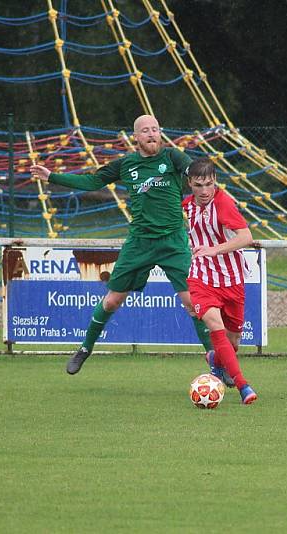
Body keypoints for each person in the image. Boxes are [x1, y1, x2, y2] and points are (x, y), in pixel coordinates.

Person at [30, 114, 212, 374]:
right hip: (139, 243)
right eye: (145, 130)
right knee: (113, 300)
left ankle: (214, 359)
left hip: (173, 241)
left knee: (192, 302)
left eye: (155, 129)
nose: (151, 134)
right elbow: (92, 181)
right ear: (135, 137)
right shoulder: (127, 164)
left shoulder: (172, 158)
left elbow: (193, 169)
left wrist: (203, 178)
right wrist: (52, 177)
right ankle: (84, 349)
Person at [183, 158, 257, 404]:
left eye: (208, 184)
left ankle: (215, 360)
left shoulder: (223, 203)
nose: (204, 191)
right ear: (190, 184)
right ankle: (243, 385)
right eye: (198, 185)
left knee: (233, 342)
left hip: (232, 279)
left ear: (215, 181)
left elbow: (246, 236)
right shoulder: (185, 206)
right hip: (201, 277)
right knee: (215, 327)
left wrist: (215, 249)